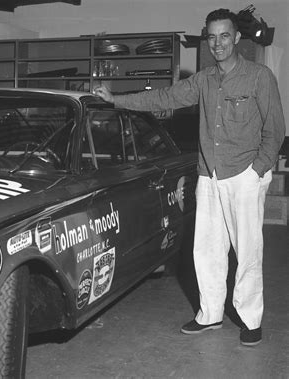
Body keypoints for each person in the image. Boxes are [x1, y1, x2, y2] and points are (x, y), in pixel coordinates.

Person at [94, 8, 285, 346]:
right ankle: (210, 315)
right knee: (206, 251)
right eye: (212, 37)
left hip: (244, 175)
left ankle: (250, 319)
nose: (218, 43)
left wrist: (258, 171)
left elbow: (275, 130)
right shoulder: (203, 80)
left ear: (237, 38)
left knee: (248, 252)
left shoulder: (259, 76)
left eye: (224, 36)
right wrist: (115, 100)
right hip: (208, 175)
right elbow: (163, 97)